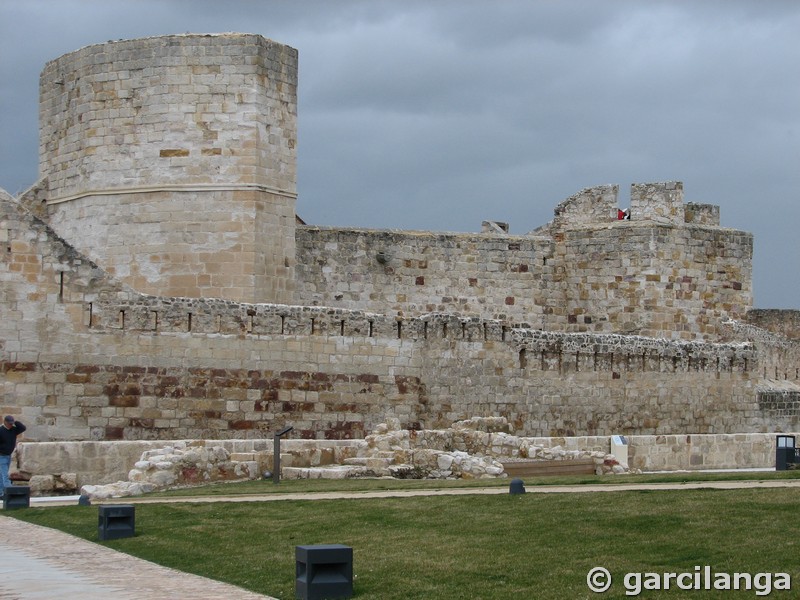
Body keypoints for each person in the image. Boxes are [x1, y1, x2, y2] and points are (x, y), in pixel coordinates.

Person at [0, 415, 26, 497]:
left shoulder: (13, 430)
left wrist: (15, 422)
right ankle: (9, 493)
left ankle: (2, 492)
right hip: (1, 456)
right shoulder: (1, 430)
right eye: (9, 423)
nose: (11, 425)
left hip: (8, 455)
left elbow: (23, 428)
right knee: (5, 475)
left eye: (12, 423)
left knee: (1, 475)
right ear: (5, 422)